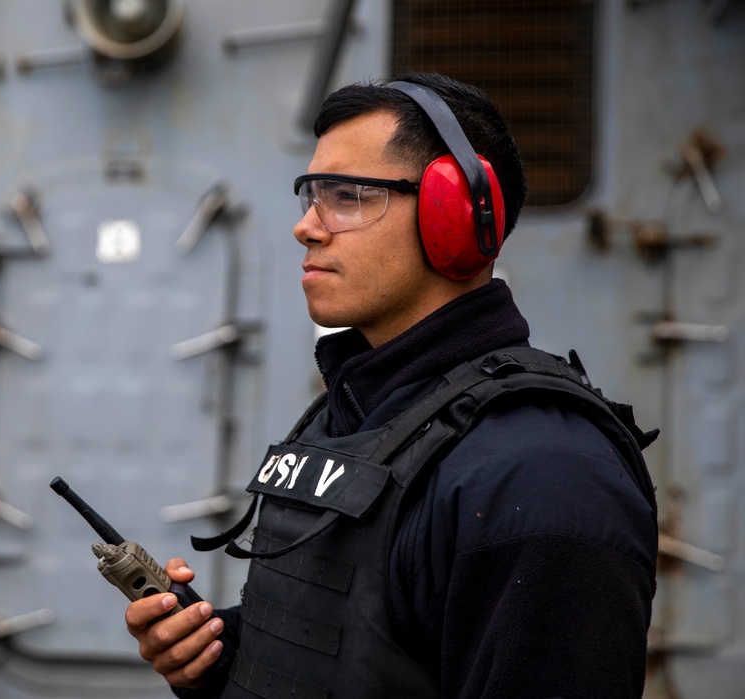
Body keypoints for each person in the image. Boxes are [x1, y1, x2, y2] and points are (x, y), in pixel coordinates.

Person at [124, 72, 658, 698]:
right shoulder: (363, 413)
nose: (307, 227)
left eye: (347, 195)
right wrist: (218, 658)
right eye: (311, 194)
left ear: (456, 215)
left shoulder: (542, 473)